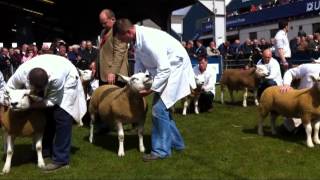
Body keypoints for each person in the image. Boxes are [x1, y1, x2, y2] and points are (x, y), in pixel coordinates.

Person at [114, 18, 196, 161]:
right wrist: (137, 82)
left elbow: (165, 69)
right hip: (166, 71)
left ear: (128, 32)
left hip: (175, 69)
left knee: (159, 109)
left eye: (122, 38)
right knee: (163, 110)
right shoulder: (136, 40)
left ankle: (161, 151)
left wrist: (150, 89)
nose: (122, 42)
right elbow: (139, 63)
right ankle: (177, 144)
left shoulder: (149, 39)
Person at [6, 54, 87, 172]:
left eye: (41, 89)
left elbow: (51, 102)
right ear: (28, 80)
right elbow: (9, 88)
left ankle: (61, 159)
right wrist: (12, 101)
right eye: (37, 89)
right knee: (46, 117)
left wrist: (30, 105)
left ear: (47, 80)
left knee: (62, 116)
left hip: (67, 78)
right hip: (49, 66)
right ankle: (45, 151)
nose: (39, 92)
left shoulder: (56, 78)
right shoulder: (21, 73)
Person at [279, 60, 320, 132]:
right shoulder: (309, 67)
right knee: (288, 129)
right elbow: (290, 72)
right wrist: (286, 84)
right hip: (302, 104)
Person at [98, 9, 128, 87]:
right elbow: (102, 51)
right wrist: (95, 63)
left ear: (113, 19)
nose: (103, 26)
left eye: (105, 23)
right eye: (102, 24)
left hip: (115, 77)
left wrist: (113, 72)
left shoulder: (119, 31)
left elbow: (119, 53)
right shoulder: (103, 32)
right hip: (103, 76)